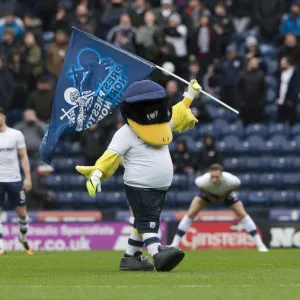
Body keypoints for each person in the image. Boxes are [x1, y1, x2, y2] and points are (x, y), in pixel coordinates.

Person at [76, 79, 202, 272]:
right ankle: (157, 251)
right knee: (148, 221)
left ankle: (131, 257)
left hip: (157, 187)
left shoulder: (161, 123)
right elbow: (110, 156)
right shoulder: (126, 132)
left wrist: (190, 95)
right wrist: (97, 174)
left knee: (142, 220)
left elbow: (177, 113)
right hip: (140, 185)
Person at [171, 164, 268, 252]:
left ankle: (260, 245)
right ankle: (174, 244)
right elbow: (201, 187)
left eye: (216, 177)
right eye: (212, 177)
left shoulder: (231, 179)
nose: (214, 180)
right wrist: (210, 197)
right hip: (208, 194)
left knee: (242, 214)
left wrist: (225, 195)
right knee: (190, 213)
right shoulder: (202, 181)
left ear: (222, 175)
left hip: (226, 194)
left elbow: (237, 185)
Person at [0, 107, 33, 255]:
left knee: (22, 212)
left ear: (4, 116)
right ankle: (0, 245)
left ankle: (22, 237)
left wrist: (28, 177)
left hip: (14, 179)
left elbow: (24, 156)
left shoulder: (16, 134)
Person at [237, 57, 266, 126]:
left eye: (257, 63)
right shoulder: (242, 74)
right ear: (249, 63)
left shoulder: (261, 74)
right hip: (245, 106)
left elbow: (264, 90)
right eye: (254, 63)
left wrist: (261, 102)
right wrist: (241, 102)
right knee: (245, 125)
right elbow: (238, 90)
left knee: (257, 125)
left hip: (257, 106)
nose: (256, 65)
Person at [275, 56, 300, 125]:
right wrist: (277, 97)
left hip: (291, 103)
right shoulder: (280, 73)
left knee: (291, 122)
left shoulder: (295, 73)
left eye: (283, 63)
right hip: (281, 102)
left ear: (288, 63)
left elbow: (296, 88)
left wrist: (292, 100)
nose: (281, 64)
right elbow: (279, 87)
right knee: (280, 121)